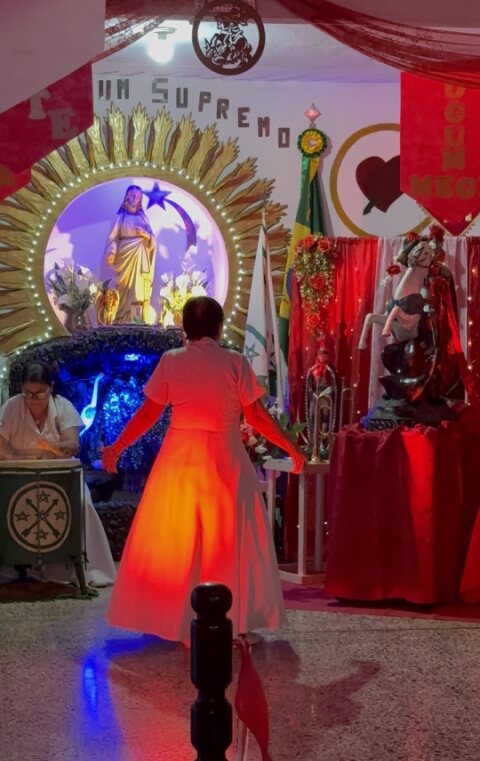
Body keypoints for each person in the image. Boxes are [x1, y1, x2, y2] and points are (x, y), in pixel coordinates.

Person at [102, 296, 305, 644]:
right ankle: (233, 621)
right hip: (224, 460)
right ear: (219, 327)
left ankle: (176, 622)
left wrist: (117, 448)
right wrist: (292, 449)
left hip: (178, 461)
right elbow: (256, 416)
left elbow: (149, 413)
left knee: (178, 541)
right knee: (226, 540)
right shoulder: (235, 362)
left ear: (185, 328)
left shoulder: (171, 360)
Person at [0, 361, 116, 588]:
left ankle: (81, 566)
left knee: (82, 503)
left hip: (59, 472)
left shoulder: (63, 407)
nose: (34, 399)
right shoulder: (11, 407)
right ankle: (12, 563)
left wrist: (52, 447)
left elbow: (73, 446)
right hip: (17, 472)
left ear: (51, 388)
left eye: (40, 393)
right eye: (28, 393)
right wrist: (15, 459)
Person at [106, 184, 156, 324]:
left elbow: (153, 239)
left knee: (138, 290)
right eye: (133, 195)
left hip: (140, 255)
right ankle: (121, 318)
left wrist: (145, 234)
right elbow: (113, 238)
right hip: (124, 256)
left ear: (141, 199)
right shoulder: (120, 216)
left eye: (138, 197)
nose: (135, 198)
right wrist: (111, 252)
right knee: (123, 288)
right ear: (127, 197)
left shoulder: (144, 218)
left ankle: (137, 319)